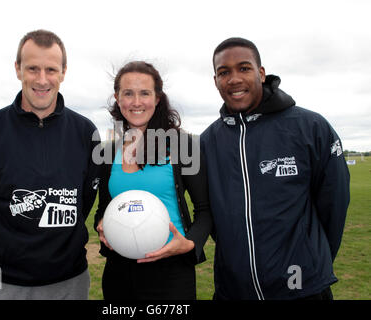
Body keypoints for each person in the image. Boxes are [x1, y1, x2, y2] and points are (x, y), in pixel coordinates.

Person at [200, 37, 350, 300]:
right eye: (224, 72)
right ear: (215, 81)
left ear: (261, 73)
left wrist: (309, 257)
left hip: (302, 289)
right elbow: (211, 215)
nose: (234, 79)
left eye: (244, 68)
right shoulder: (207, 141)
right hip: (233, 290)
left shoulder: (310, 127)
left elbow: (333, 207)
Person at [0, 30, 100, 300]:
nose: (42, 79)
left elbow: (85, 201)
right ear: (17, 69)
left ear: (64, 72)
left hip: (68, 281)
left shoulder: (86, 132)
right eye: (33, 68)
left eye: (51, 69)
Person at [94, 61, 212, 300]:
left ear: (157, 98)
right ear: (118, 98)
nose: (136, 102)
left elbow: (205, 210)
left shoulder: (182, 145)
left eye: (145, 93)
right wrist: (100, 224)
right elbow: (103, 209)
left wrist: (189, 244)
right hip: (119, 271)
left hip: (171, 274)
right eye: (128, 93)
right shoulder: (109, 151)